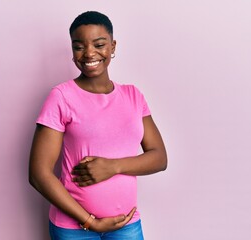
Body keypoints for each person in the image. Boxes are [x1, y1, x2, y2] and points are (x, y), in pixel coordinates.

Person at [29, 11, 167, 240]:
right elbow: (38, 174)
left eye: (99, 44)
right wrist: (89, 221)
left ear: (112, 47)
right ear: (72, 51)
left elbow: (159, 157)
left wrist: (113, 167)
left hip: (127, 224)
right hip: (74, 229)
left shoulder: (133, 96)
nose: (89, 53)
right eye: (79, 46)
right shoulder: (61, 96)